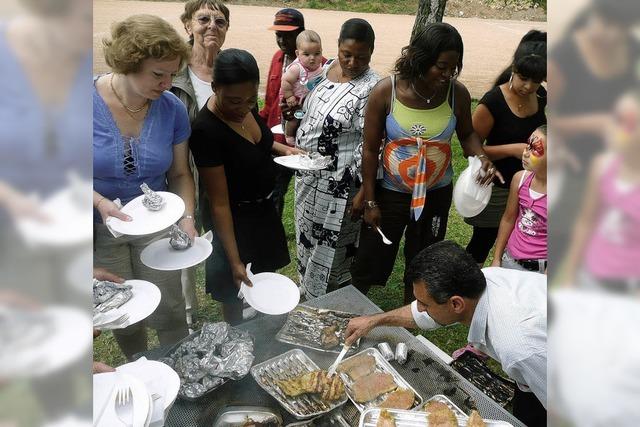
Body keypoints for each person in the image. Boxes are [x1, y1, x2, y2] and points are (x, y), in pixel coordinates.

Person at [351, 22, 502, 304]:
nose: (447, 75)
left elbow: (467, 133)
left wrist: (481, 158)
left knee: (425, 255)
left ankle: (416, 310)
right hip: (391, 193)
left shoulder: (457, 94)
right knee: (372, 254)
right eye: (441, 66)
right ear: (421, 59)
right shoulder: (387, 92)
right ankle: (353, 306)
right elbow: (370, 150)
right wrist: (370, 201)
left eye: (453, 68)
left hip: (435, 193)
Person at [345, 241, 547, 426]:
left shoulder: (520, 347)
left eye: (425, 304)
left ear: (456, 304)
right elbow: (421, 314)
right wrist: (375, 320)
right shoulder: (483, 280)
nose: (420, 308)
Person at [93, 14, 195, 359]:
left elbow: (181, 174)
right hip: (100, 229)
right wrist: (98, 202)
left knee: (169, 306)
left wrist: (187, 217)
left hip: (157, 227)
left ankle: (179, 371)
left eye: (173, 74)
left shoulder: (173, 110)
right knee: (123, 310)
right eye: (158, 74)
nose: (167, 84)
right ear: (128, 61)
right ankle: (137, 366)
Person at [189, 49, 300, 325]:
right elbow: (219, 203)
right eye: (234, 101)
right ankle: (235, 335)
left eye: (250, 99)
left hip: (263, 210)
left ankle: (265, 329)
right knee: (233, 288)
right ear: (215, 88)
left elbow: (258, 141)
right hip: (233, 219)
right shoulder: (206, 131)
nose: (243, 107)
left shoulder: (245, 105)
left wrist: (283, 149)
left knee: (265, 279)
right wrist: (234, 259)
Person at [548, 0, 639, 267]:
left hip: (618, 168)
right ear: (594, 15)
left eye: (622, 29)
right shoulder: (565, 55)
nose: (614, 35)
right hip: (571, 170)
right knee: (563, 242)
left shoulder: (630, 49)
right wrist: (594, 124)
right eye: (608, 25)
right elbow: (546, 124)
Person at [294, 18, 380, 299]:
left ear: (372, 52)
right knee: (306, 238)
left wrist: (364, 192)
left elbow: (372, 143)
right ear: (338, 47)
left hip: (340, 187)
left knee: (331, 250)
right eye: (347, 54)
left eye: (361, 57)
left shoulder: (373, 87)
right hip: (308, 178)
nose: (353, 62)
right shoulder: (327, 68)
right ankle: (307, 291)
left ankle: (328, 302)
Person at [171, 0, 231, 329]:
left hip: (222, 173)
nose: (212, 26)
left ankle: (230, 297)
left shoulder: (230, 67)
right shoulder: (175, 70)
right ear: (187, 25)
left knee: (222, 236)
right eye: (203, 19)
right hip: (184, 171)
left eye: (220, 21)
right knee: (184, 237)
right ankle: (188, 313)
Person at [464, 38, 547, 265]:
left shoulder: (541, 96)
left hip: (529, 185)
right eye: (524, 78)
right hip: (497, 185)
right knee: (483, 241)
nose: (529, 87)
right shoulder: (493, 102)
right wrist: (513, 150)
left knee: (522, 239)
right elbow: (470, 149)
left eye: (537, 81)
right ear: (514, 70)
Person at [562, 92, 640, 293]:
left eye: (630, 124)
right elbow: (586, 220)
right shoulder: (602, 166)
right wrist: (570, 274)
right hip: (592, 274)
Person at [259, 8, 306, 218]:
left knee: (305, 196)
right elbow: (269, 103)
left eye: (288, 35)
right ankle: (273, 233)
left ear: (301, 34)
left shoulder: (317, 64)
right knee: (273, 193)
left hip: (302, 145)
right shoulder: (277, 58)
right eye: (279, 35)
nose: (282, 40)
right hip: (276, 142)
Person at [492, 126, 547, 273]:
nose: (525, 153)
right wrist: (497, 258)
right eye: (527, 145)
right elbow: (508, 218)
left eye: (535, 149)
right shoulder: (519, 179)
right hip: (510, 260)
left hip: (540, 269)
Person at [280, 29, 324, 146]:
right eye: (306, 54)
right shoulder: (297, 68)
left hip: (307, 100)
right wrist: (289, 96)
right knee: (294, 119)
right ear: (297, 54)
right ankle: (289, 135)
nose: (312, 58)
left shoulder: (320, 68)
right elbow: (285, 81)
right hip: (295, 101)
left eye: (317, 53)